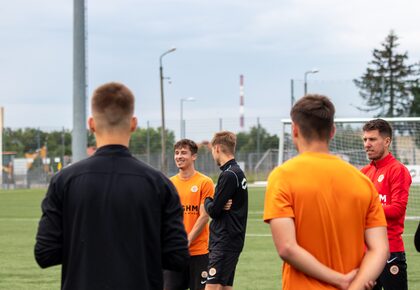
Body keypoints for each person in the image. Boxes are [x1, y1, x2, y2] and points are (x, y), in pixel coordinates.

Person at [34, 82, 189, 290]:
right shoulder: (159, 184)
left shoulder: (64, 181)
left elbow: (45, 252)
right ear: (133, 123)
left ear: (91, 124)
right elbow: (177, 256)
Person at [264, 94, 389, 290]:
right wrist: (354, 286)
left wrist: (339, 279)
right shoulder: (362, 181)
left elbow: (287, 247)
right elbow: (380, 249)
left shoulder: (282, 176)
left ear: (294, 130)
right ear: (332, 131)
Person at [361, 118, 412, 290]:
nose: (367, 144)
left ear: (387, 141)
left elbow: (397, 210)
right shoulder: (364, 173)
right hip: (366, 253)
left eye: (372, 139)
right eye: (365, 139)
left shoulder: (397, 170)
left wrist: (366, 211)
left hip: (391, 252)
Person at [164, 139, 215, 290]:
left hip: (199, 252)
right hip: (175, 252)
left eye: (184, 153)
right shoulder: (169, 183)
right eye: (177, 153)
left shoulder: (204, 182)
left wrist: (187, 240)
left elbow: (204, 216)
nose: (179, 156)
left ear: (194, 156)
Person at [204, 131, 248, 290]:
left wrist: (207, 200)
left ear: (217, 148)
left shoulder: (228, 175)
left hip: (224, 241)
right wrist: (217, 204)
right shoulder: (238, 172)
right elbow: (220, 207)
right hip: (233, 239)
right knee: (224, 287)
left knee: (212, 288)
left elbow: (214, 211)